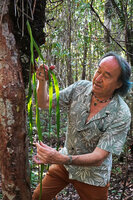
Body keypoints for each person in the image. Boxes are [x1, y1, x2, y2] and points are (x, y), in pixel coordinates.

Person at [32, 52, 132, 200]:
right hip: (64, 165)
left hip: (93, 176)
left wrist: (60, 158)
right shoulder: (80, 88)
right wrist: (42, 81)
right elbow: (44, 103)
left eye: (106, 75)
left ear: (119, 84)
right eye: (98, 70)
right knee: (38, 196)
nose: (98, 79)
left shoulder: (121, 113)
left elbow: (98, 157)